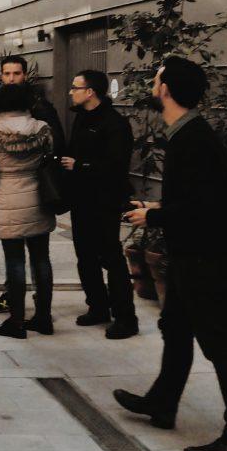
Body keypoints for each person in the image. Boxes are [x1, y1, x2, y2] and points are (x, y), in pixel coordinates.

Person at [118, 56, 227, 451]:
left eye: (157, 78)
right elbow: (197, 199)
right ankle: (162, 403)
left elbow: (207, 208)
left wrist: (156, 216)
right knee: (176, 327)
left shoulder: (193, 139)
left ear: (166, 89)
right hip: (191, 253)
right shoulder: (185, 133)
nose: (153, 82)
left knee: (221, 344)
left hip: (205, 257)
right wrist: (157, 208)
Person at [0, 84, 55, 338]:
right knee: (41, 259)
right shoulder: (42, 129)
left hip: (7, 201)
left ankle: (16, 322)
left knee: (15, 261)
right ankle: (43, 318)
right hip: (39, 199)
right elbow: (49, 157)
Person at [0, 55, 66, 314]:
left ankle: (28, 312)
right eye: (7, 74)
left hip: (33, 190)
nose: (11, 79)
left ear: (25, 75)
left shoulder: (39, 107)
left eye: (16, 73)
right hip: (10, 189)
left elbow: (57, 145)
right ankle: (30, 309)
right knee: (29, 256)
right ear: (1, 76)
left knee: (24, 257)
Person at [61, 69, 138, 339]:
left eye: (75, 87)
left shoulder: (115, 124)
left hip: (105, 200)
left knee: (111, 257)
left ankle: (126, 318)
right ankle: (98, 307)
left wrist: (80, 166)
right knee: (85, 257)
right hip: (81, 199)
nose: (71, 91)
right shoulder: (81, 118)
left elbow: (116, 166)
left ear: (90, 92)